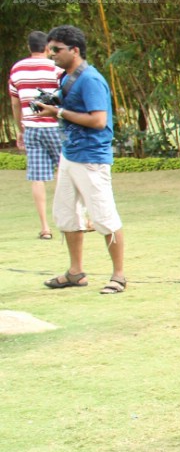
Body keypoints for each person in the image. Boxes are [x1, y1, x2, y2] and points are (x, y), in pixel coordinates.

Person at [36, 25, 127, 295]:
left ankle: (119, 276)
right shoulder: (67, 77)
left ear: (74, 50)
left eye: (57, 50)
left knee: (104, 216)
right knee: (66, 214)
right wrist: (53, 109)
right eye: (50, 49)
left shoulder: (91, 79)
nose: (52, 54)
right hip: (70, 154)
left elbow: (99, 121)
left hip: (91, 157)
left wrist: (59, 112)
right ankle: (75, 272)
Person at [8, 30, 63, 240]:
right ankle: (68, 220)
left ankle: (45, 227)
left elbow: (15, 103)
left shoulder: (17, 69)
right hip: (56, 126)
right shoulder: (56, 68)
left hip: (31, 128)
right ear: (48, 48)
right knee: (65, 172)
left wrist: (20, 128)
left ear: (28, 47)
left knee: (38, 177)